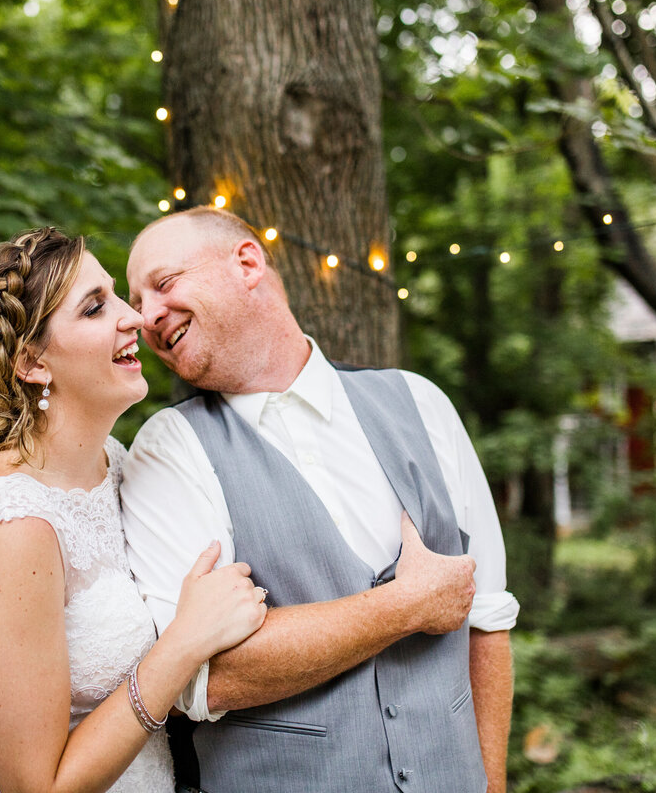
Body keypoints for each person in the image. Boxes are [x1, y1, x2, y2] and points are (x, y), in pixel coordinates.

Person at [121, 207, 519, 793]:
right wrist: (407, 605)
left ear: (248, 262)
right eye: (136, 301)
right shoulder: (168, 448)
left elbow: (487, 620)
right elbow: (198, 680)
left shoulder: (421, 402)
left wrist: (492, 784)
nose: (144, 317)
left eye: (163, 283)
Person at [0, 227, 268, 793]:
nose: (134, 317)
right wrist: (182, 644)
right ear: (32, 362)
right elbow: (37, 787)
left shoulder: (115, 463)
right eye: (96, 308)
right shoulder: (10, 527)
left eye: (115, 296)